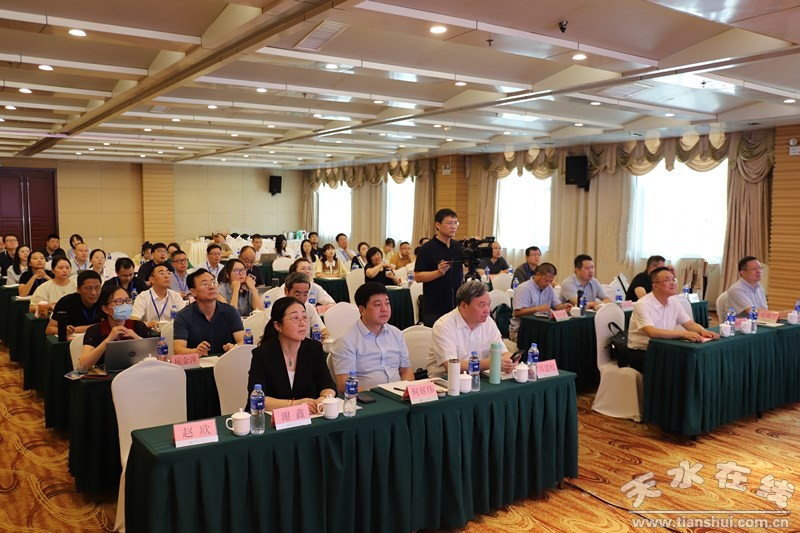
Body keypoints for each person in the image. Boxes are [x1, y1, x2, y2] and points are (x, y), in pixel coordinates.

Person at [246, 296, 336, 414]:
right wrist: (294, 405)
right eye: (295, 318)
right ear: (278, 326)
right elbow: (257, 398)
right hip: (273, 419)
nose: (302, 323)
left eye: (304, 317)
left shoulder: (314, 348)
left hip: (310, 417)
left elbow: (328, 384)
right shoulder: (262, 354)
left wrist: (323, 399)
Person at [627, 267, 718, 372]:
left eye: (673, 279)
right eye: (667, 280)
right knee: (678, 364)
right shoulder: (643, 304)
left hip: (665, 348)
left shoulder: (674, 301)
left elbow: (689, 324)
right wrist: (683, 334)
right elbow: (652, 332)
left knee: (694, 359)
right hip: (642, 351)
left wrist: (703, 331)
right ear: (655, 286)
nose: (672, 283)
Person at [331, 282, 414, 391]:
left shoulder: (396, 334)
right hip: (368, 398)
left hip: (398, 395)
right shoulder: (346, 341)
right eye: (377, 305)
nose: (384, 309)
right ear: (362, 310)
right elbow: (344, 384)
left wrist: (406, 392)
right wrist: (370, 399)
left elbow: (406, 370)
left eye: (387, 303)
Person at [427, 280, 514, 378]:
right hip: (446, 381)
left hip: (478, 378)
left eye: (488, 304)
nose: (487, 310)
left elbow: (503, 352)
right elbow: (452, 366)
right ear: (464, 306)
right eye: (482, 305)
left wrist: (510, 361)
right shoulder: (443, 326)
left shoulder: (488, 322)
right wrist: (492, 363)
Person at [78, 285, 153, 369]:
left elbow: (156, 355)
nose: (125, 305)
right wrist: (109, 339)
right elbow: (83, 365)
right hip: (105, 375)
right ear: (105, 309)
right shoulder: (95, 331)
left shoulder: (139, 326)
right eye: (119, 301)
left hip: (137, 373)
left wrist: (136, 337)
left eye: (128, 300)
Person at [173, 269, 245, 355]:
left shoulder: (230, 311)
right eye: (205, 284)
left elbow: (243, 341)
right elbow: (178, 350)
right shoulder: (183, 316)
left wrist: (234, 347)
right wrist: (196, 351)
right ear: (193, 292)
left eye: (213, 283)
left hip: (226, 361)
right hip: (199, 362)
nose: (211, 287)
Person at [414, 208, 465, 327]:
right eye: (450, 223)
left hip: (456, 305)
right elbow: (418, 276)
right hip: (435, 306)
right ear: (438, 225)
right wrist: (438, 272)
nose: (454, 227)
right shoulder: (427, 248)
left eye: (456, 223)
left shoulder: (458, 246)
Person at [510, 263, 573, 341]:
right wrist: (537, 309)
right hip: (521, 330)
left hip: (542, 328)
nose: (548, 284)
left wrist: (564, 307)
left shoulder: (549, 288)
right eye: (546, 280)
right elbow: (517, 313)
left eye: (551, 281)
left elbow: (557, 306)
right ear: (538, 275)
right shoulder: (524, 288)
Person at [271, 272, 329, 340]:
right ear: (286, 291)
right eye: (297, 295)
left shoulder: (309, 307)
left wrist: (325, 336)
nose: (302, 299)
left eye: (305, 294)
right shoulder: (274, 310)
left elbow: (323, 330)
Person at [45, 270, 102, 336]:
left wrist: (76, 329)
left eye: (97, 287)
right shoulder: (66, 303)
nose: (94, 293)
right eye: (89, 288)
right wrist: (64, 330)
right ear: (78, 289)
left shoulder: (105, 301)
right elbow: (49, 330)